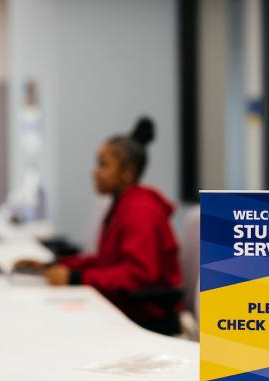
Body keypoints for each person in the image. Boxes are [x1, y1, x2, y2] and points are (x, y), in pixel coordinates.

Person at [17, 117, 183, 334]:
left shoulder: (140, 209)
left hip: (146, 317)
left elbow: (139, 275)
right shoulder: (121, 204)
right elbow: (107, 262)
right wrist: (55, 265)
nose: (94, 172)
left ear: (128, 173)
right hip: (126, 309)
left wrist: (76, 278)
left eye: (103, 164)